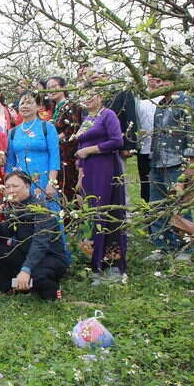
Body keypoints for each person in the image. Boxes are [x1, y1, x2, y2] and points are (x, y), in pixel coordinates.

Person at [144, 78, 194, 263]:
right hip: (158, 164)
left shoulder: (189, 103)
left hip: (178, 164)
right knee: (157, 207)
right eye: (156, 81)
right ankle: (163, 247)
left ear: (174, 80)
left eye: (164, 80)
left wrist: (188, 173)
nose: (159, 84)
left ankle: (184, 249)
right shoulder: (160, 105)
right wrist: (152, 164)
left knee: (180, 208)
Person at [0, 172, 69, 300]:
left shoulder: (40, 208)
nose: (11, 190)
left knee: (37, 277)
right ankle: (8, 288)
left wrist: (26, 269)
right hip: (26, 252)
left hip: (49, 256)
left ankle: (52, 290)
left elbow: (40, 243)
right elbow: (4, 235)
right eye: (7, 187)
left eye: (15, 186)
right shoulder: (13, 206)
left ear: (27, 186)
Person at [74, 87, 127, 284]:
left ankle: (113, 263)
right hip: (88, 172)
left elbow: (117, 141)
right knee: (92, 215)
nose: (88, 99)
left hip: (106, 168)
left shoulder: (108, 115)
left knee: (108, 213)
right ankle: (95, 261)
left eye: (91, 95)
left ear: (100, 97)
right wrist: (80, 175)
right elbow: (80, 147)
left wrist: (91, 150)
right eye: (84, 96)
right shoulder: (87, 119)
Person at [4, 91, 60, 200]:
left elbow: (54, 157)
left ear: (38, 106)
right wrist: (7, 186)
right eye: (22, 103)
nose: (25, 106)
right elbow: (10, 162)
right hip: (20, 183)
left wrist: (51, 182)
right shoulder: (13, 132)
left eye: (29, 103)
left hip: (43, 180)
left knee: (44, 209)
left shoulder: (48, 127)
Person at [46, 76, 83, 206]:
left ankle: (73, 213)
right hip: (57, 152)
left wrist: (54, 139)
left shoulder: (71, 105)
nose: (52, 90)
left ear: (63, 87)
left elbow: (73, 128)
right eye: (49, 88)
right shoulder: (54, 108)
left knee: (69, 185)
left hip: (68, 152)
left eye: (55, 86)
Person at [136, 73, 162, 202]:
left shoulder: (166, 98)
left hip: (164, 149)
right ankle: (148, 209)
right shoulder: (139, 100)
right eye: (148, 75)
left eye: (154, 74)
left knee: (163, 181)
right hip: (144, 148)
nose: (151, 77)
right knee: (146, 181)